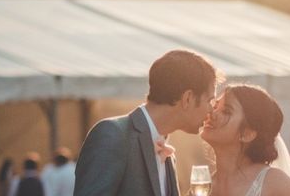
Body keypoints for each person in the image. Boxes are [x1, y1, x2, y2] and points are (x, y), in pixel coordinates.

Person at [74, 49, 220, 196]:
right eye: (209, 101)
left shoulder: (167, 154)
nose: (211, 110)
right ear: (187, 99)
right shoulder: (112, 135)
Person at [200, 84, 290, 196]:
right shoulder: (203, 185)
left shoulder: (274, 183)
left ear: (247, 134)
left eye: (226, 112)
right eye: (215, 106)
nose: (212, 113)